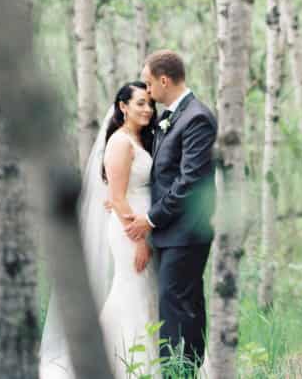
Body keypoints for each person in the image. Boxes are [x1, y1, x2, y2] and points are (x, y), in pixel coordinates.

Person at [39, 82, 159, 379]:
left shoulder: (140, 140)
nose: (147, 109)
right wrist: (141, 240)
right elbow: (117, 198)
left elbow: (117, 192)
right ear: (123, 107)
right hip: (130, 232)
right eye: (140, 103)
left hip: (139, 225)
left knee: (146, 293)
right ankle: (119, 363)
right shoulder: (120, 142)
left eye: (150, 104)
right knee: (132, 292)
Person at [124, 49, 217, 375]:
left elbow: (188, 181)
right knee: (180, 308)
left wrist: (150, 218)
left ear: (164, 80)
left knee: (178, 310)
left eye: (149, 84)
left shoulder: (197, 118)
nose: (148, 92)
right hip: (170, 234)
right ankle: (183, 372)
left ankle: (179, 372)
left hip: (186, 233)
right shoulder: (171, 117)